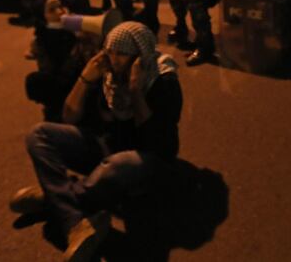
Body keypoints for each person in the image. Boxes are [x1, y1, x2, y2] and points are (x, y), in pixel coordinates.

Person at [10, 21, 181, 262]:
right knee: (39, 134)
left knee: (118, 165)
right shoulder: (107, 77)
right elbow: (69, 118)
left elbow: (157, 142)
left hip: (147, 158)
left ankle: (56, 198)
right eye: (109, 51)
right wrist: (85, 79)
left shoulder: (162, 81)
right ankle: (73, 212)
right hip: (106, 148)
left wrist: (135, 90)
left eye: (121, 53)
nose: (113, 59)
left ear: (140, 55)